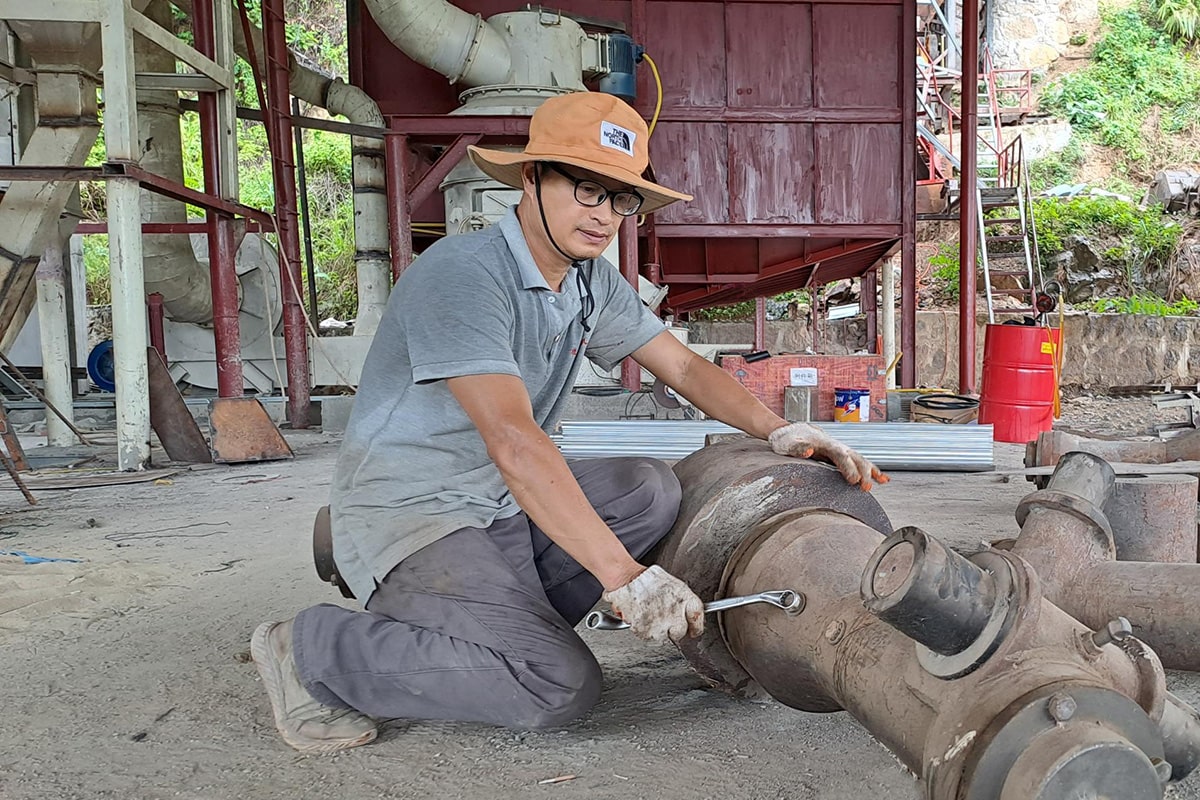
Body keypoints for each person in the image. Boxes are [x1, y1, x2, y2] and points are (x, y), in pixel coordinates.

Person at [250, 91, 887, 754]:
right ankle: (313, 650)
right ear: (531, 179)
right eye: (586, 189)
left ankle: (496, 625)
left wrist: (779, 430)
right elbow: (513, 440)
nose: (604, 214)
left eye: (621, 198)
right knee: (555, 685)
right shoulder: (464, 275)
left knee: (648, 489)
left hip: (497, 501)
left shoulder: (589, 283)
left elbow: (683, 367)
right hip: (415, 513)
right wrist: (623, 576)